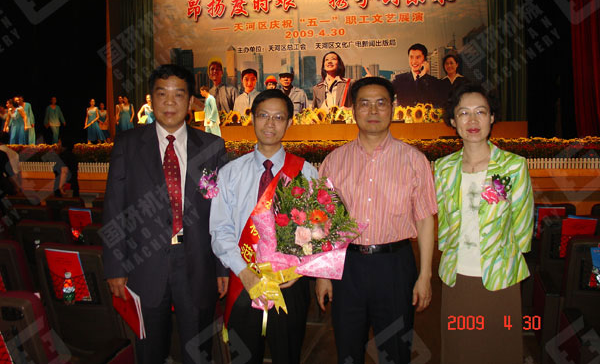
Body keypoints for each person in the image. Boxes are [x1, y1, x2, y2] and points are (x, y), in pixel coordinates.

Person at [102, 64, 228, 364]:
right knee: (149, 352)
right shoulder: (128, 145)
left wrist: (222, 267)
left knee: (198, 352)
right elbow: (114, 207)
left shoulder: (211, 147)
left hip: (197, 264)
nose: (170, 102)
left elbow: (221, 212)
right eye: (162, 94)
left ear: (190, 102)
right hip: (143, 265)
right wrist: (115, 266)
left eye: (178, 95)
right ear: (151, 98)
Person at [315, 77, 436, 364]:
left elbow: (425, 221)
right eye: (364, 104)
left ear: (392, 108)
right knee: (347, 348)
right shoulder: (334, 161)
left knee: (395, 350)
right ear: (353, 110)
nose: (373, 111)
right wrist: (322, 274)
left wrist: (425, 276)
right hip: (347, 267)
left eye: (381, 103)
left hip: (395, 267)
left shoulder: (414, 160)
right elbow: (321, 223)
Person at [210, 89, 319, 364]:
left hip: (289, 284)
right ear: (252, 118)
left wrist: (298, 269)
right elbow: (220, 231)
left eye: (278, 117)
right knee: (243, 358)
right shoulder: (230, 173)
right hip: (243, 281)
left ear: (289, 122)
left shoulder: (306, 172)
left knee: (287, 356)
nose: (270, 123)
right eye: (263, 116)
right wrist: (244, 273)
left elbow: (319, 230)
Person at [435, 83, 533, 364]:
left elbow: (523, 224)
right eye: (463, 113)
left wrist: (505, 259)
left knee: (499, 351)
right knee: (459, 351)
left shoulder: (513, 166)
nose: (472, 120)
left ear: (492, 117)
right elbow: (444, 221)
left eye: (480, 112)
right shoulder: (443, 168)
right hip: (457, 275)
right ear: (453, 121)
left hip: (500, 275)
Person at [392, 43, 444, 108]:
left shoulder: (434, 82)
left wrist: (422, 77)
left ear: (425, 59)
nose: (414, 61)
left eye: (418, 57)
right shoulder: (399, 80)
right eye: (411, 57)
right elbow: (387, 93)